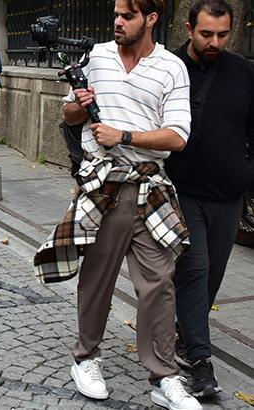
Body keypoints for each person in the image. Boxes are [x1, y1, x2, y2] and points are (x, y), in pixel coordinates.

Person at [33, 0, 202, 409]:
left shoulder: (171, 67)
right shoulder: (97, 56)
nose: (118, 22)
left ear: (151, 19)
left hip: (150, 187)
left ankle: (164, 378)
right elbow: (71, 116)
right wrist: (78, 102)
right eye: (116, 14)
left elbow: (177, 136)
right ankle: (86, 358)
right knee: (97, 280)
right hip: (103, 185)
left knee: (159, 285)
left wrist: (123, 136)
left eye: (127, 15)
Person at [164, 0, 254, 398]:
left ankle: (186, 332)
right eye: (206, 34)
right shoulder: (168, 67)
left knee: (212, 275)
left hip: (229, 194)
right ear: (188, 29)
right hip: (183, 190)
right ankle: (201, 362)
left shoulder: (243, 71)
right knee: (195, 268)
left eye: (223, 34)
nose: (215, 42)